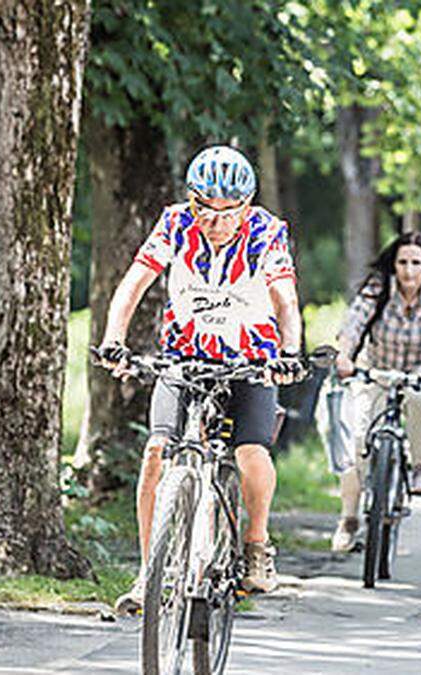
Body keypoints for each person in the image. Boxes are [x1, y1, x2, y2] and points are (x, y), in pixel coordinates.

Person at [97, 145, 303, 614]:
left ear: (246, 206)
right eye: (205, 210)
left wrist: (289, 353)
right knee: (156, 452)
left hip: (252, 362)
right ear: (192, 202)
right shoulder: (174, 224)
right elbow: (133, 282)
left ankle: (255, 543)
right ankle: (149, 574)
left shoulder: (266, 231)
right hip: (184, 358)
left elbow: (285, 298)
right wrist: (114, 338)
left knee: (250, 451)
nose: (217, 221)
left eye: (230, 212)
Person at [330, 232, 421, 553]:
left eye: (416, 263)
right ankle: (352, 515)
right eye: (402, 262)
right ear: (394, 265)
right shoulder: (377, 291)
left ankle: (419, 466)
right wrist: (344, 356)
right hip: (377, 369)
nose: (408, 270)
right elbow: (353, 327)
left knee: (419, 400)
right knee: (359, 438)